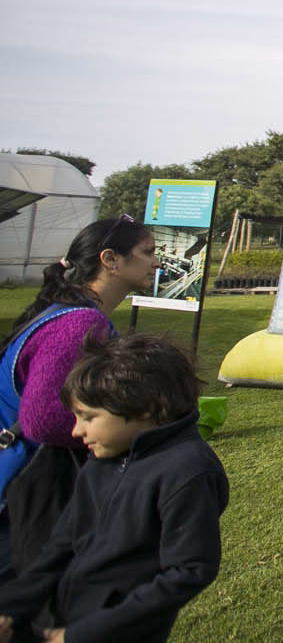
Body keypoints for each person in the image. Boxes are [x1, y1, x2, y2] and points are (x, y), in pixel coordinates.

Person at [0, 332, 228, 643]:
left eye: (88, 417)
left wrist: (83, 634)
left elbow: (189, 570)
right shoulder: (103, 457)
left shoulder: (189, 471)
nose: (76, 430)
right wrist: (12, 609)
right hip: (60, 618)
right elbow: (62, 545)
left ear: (147, 408)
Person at [0, 216, 149, 581]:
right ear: (110, 260)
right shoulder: (78, 324)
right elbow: (44, 419)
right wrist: (132, 431)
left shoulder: (70, 313)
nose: (157, 262)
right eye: (147, 252)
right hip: (24, 494)